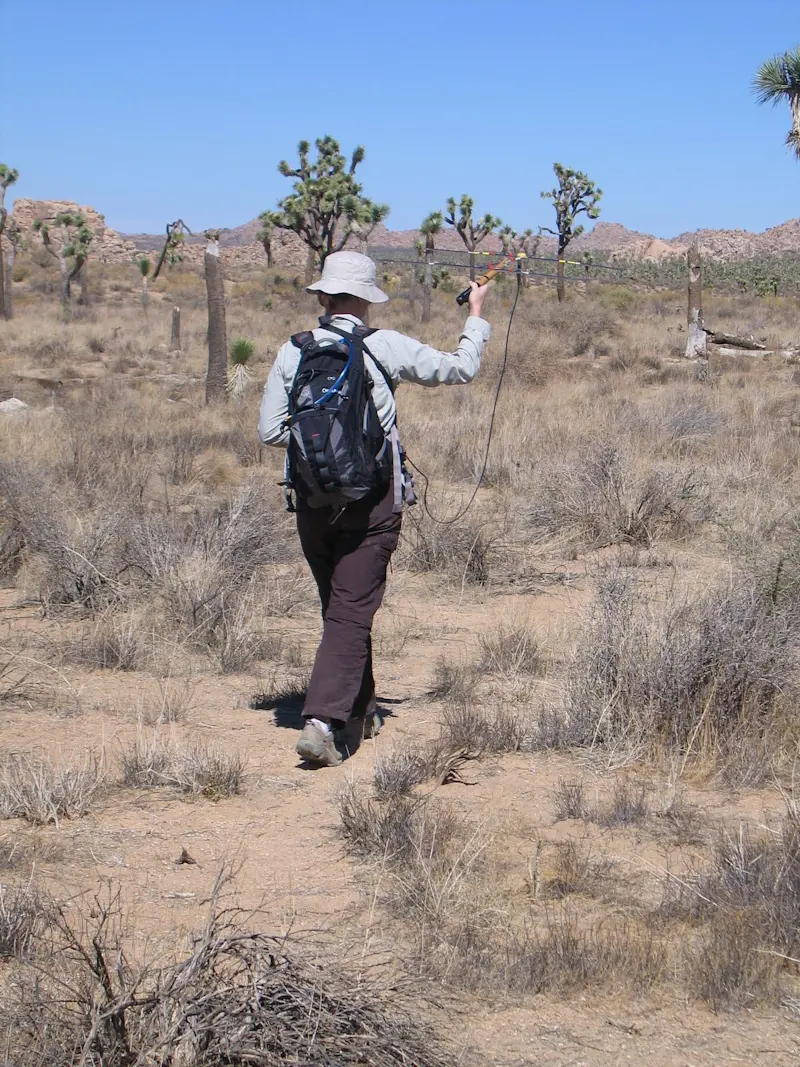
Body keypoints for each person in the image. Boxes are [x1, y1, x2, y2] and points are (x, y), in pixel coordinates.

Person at [259, 250, 491, 767]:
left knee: (342, 606)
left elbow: (271, 431)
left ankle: (362, 708)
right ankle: (323, 722)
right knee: (352, 607)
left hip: (312, 501)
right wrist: (474, 316)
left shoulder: (292, 351)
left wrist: (319, 450)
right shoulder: (382, 345)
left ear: (323, 296)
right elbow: (460, 369)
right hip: (373, 500)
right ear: (366, 300)